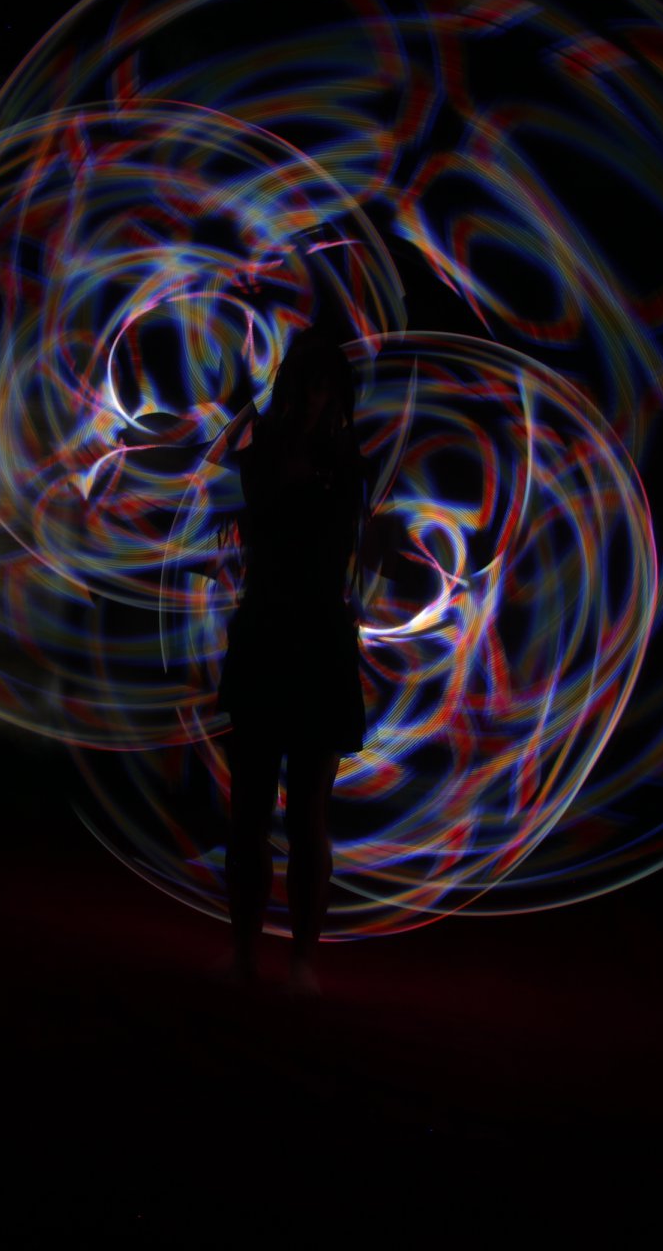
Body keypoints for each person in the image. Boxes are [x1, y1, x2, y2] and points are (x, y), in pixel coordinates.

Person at [214, 325, 368, 997]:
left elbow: (336, 546)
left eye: (327, 385)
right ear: (290, 387)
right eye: (306, 382)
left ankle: (302, 960)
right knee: (249, 811)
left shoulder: (347, 464)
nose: (315, 397)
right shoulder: (263, 456)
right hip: (270, 635)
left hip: (316, 641)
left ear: (339, 395)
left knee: (308, 810)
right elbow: (250, 512)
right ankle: (245, 952)